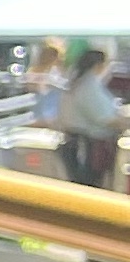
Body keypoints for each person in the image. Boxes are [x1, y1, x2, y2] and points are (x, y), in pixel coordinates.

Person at [51, 42, 125, 187]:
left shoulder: (81, 82)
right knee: (90, 186)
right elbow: (105, 119)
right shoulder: (89, 87)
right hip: (88, 147)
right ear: (99, 65)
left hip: (80, 144)